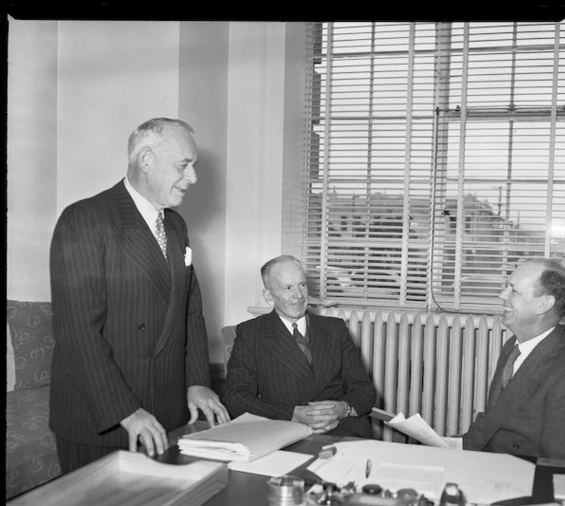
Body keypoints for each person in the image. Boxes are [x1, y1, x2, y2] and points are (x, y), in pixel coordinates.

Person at [49, 117, 230, 474]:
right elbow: (78, 332)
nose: (193, 178)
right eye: (183, 165)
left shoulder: (175, 226)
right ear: (146, 160)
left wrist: (196, 382)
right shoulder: (84, 219)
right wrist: (125, 411)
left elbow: (190, 313)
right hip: (104, 418)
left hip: (166, 412)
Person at [462, 258, 565, 461]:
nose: (501, 295)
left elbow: (559, 469)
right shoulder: (513, 347)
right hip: (491, 465)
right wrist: (453, 452)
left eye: (513, 291)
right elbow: (493, 419)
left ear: (543, 304)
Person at [222, 255, 376, 438]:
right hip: (284, 431)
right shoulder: (251, 333)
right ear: (268, 296)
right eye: (288, 288)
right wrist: (293, 414)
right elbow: (236, 397)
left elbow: (364, 390)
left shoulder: (335, 329)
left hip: (342, 428)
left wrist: (343, 409)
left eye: (302, 285)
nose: (299, 296)